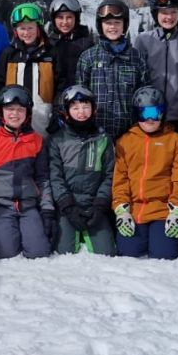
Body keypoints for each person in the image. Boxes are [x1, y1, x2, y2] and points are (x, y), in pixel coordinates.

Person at [0, 86, 54, 259]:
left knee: (39, 252)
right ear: (1, 111)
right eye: (10, 109)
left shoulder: (36, 141)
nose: (15, 114)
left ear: (27, 113)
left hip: (27, 205)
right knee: (5, 252)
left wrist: (47, 210)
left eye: (20, 109)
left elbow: (43, 179)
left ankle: (28, 230)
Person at [112, 86, 178, 259]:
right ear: (136, 114)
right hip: (135, 210)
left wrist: (177, 210)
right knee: (128, 252)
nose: (150, 119)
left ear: (163, 114)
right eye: (144, 114)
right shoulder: (126, 141)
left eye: (155, 113)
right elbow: (120, 179)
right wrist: (121, 209)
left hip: (163, 210)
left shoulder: (175, 141)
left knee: (165, 254)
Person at [48, 85, 116, 255]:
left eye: (86, 106)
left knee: (107, 252)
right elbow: (55, 178)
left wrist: (100, 205)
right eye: (75, 107)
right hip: (68, 205)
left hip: (94, 204)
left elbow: (109, 175)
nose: (81, 112)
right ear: (66, 111)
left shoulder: (103, 139)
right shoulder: (57, 140)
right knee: (64, 251)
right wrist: (68, 207)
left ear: (93, 109)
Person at [74, 0, 150, 141]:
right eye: (108, 23)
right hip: (96, 132)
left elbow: (144, 95)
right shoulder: (89, 57)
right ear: (100, 25)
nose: (112, 27)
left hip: (129, 132)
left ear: (124, 25)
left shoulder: (136, 57)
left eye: (117, 23)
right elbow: (80, 96)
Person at [133, 0, 178, 133]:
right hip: (149, 112)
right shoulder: (143, 40)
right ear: (156, 15)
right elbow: (137, 77)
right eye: (164, 13)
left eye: (173, 12)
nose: (169, 17)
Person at [0, 2, 56, 135]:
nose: (26, 33)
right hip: (14, 120)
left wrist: (57, 114)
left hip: (43, 120)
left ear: (38, 28)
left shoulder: (51, 54)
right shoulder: (9, 54)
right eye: (22, 28)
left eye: (30, 28)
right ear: (16, 31)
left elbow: (60, 85)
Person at [46, 0, 93, 94]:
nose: (65, 22)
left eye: (69, 17)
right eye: (60, 17)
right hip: (55, 101)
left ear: (76, 18)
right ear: (53, 19)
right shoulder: (48, 45)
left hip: (80, 100)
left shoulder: (86, 44)